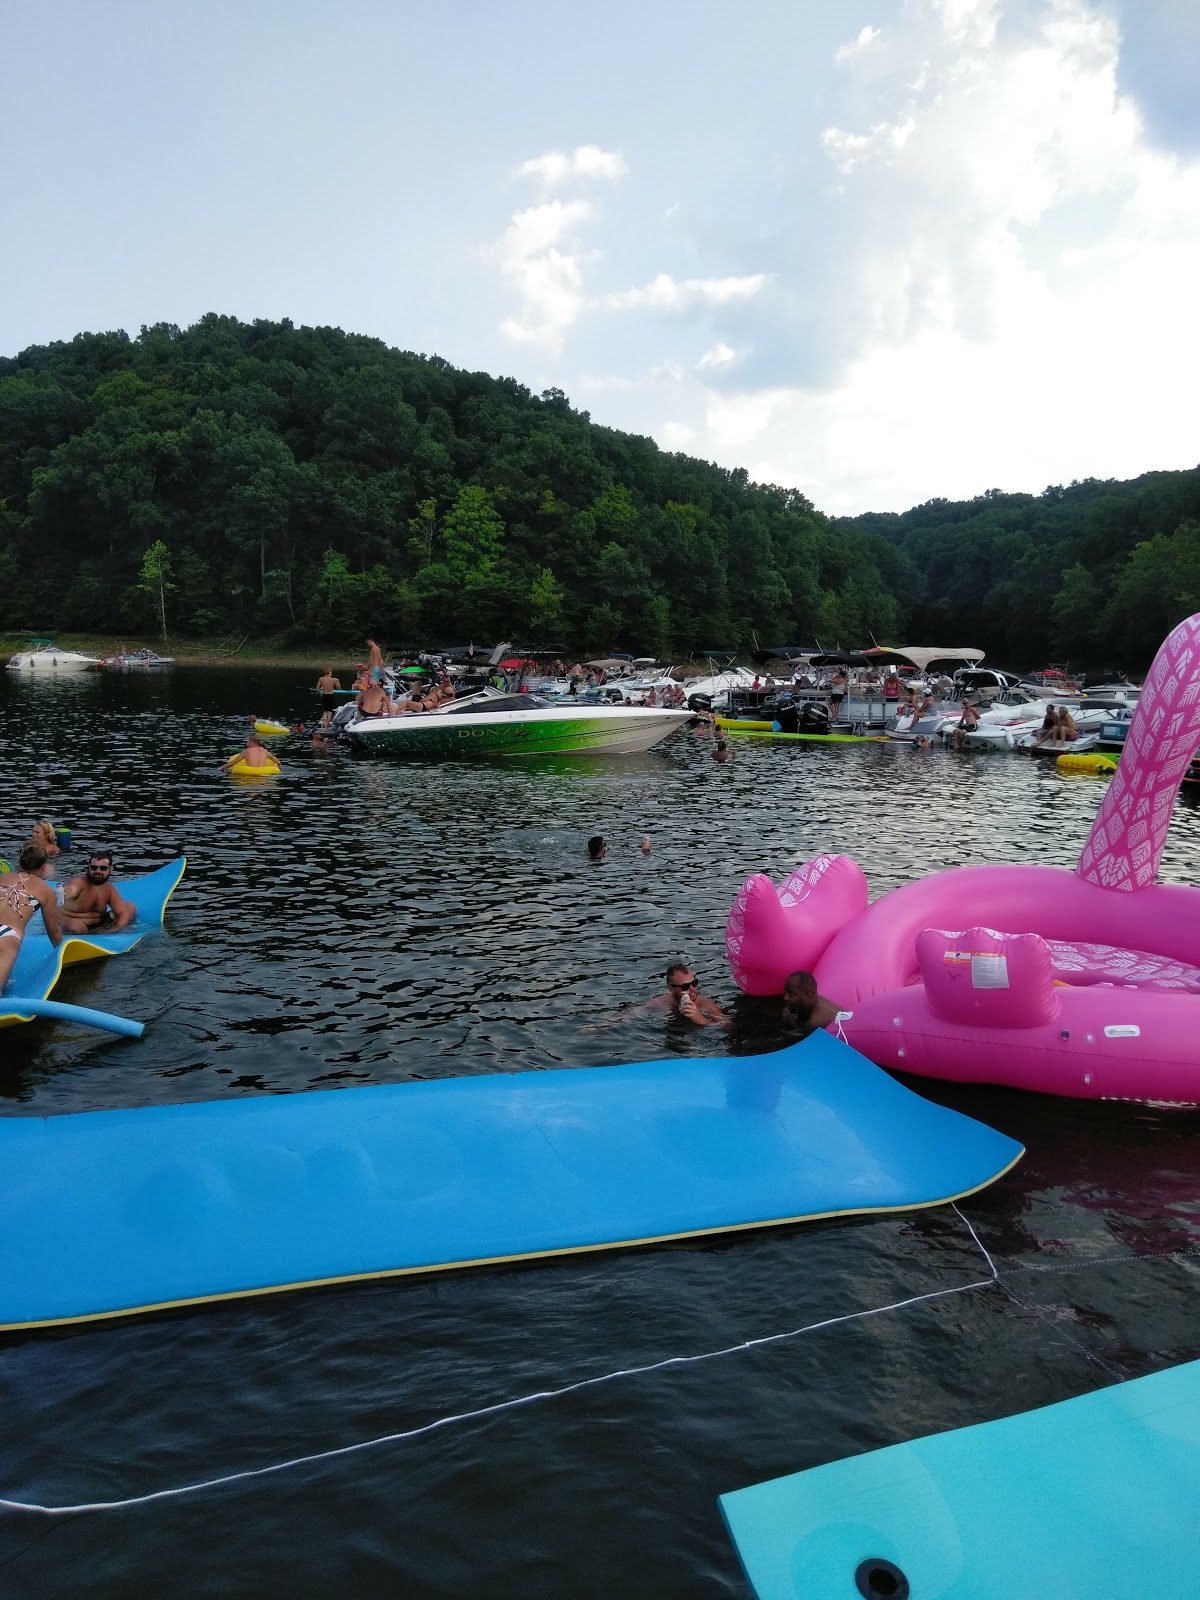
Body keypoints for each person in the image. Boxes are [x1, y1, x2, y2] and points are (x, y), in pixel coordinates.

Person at [0, 841, 63, 991]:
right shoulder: (46, 891)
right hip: (8, 935)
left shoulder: (3, 878)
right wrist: (62, 956)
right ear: (43, 866)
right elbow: (53, 931)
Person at [59, 849, 136, 934]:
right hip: (72, 925)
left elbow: (123, 912)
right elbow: (71, 888)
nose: (97, 871)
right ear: (88, 867)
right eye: (94, 867)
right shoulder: (79, 882)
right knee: (73, 926)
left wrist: (116, 929)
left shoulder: (109, 888)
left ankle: (103, 934)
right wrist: (64, 892)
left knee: (129, 907)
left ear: (111, 869)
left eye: (103, 868)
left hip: (98, 926)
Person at [638, 962, 730, 1027]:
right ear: (671, 989)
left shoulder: (707, 1006)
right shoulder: (661, 1002)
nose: (692, 989)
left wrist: (701, 1020)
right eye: (685, 986)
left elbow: (729, 1026)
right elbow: (634, 1014)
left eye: (694, 983)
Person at [781, 971, 843, 1038]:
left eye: (791, 994)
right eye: (786, 992)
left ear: (809, 995)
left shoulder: (814, 1023)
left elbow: (801, 1041)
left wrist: (788, 1031)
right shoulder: (816, 999)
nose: (785, 997)